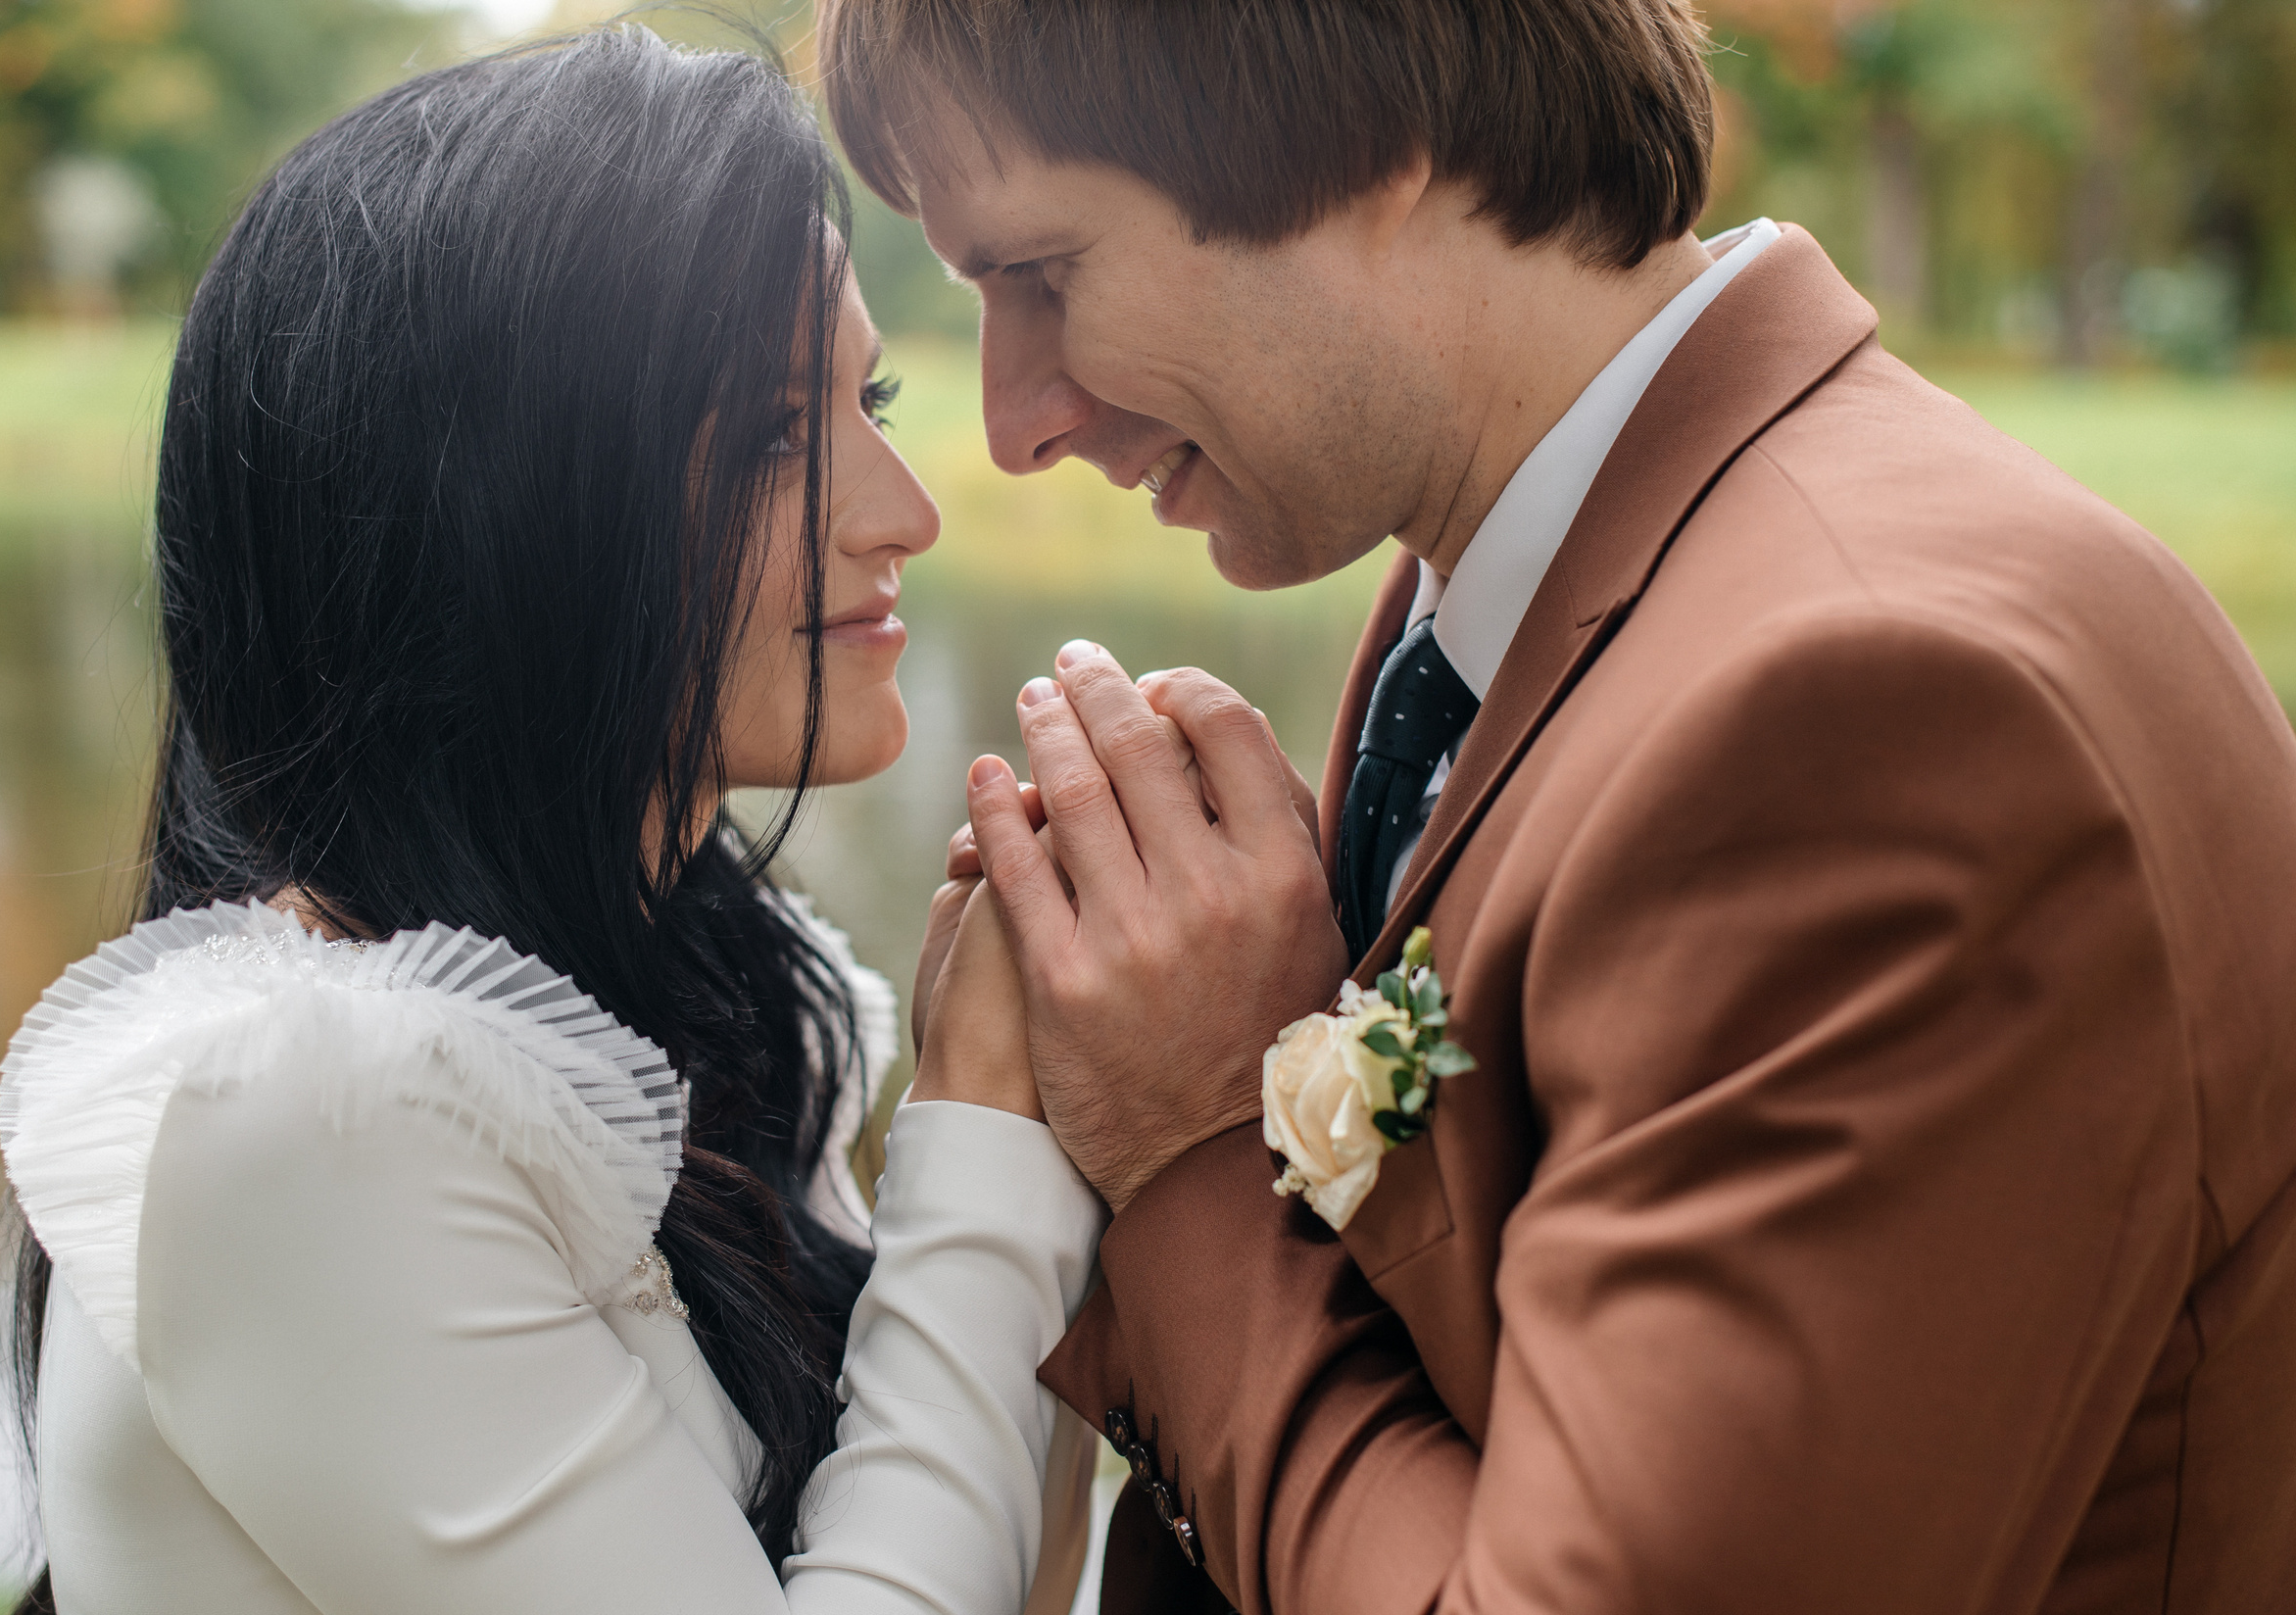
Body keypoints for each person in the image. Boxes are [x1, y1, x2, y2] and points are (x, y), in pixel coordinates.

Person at [821, 2, 2296, 1611]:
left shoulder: (1881, 722)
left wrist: (1189, 1154)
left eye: (1045, 274)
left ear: (1368, 137)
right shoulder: (1506, 586)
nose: (1015, 425)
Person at [0, 25, 1105, 1615]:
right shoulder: (308, 1127)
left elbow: (989, 1565)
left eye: (871, 399)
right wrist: (991, 1119)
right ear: (505, 517)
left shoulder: (701, 962)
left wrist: (1078, 1110)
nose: (903, 511)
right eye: (783, 435)